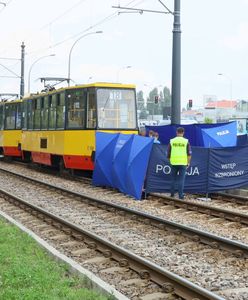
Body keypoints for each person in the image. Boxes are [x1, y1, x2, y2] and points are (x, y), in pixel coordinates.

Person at [167, 127, 192, 200]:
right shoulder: (186, 141)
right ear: (183, 132)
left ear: (176, 132)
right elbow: (189, 154)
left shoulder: (172, 141)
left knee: (173, 179)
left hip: (174, 162)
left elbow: (168, 153)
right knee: (181, 180)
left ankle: (172, 194)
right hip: (183, 163)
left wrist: (170, 161)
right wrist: (188, 162)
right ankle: (180, 196)